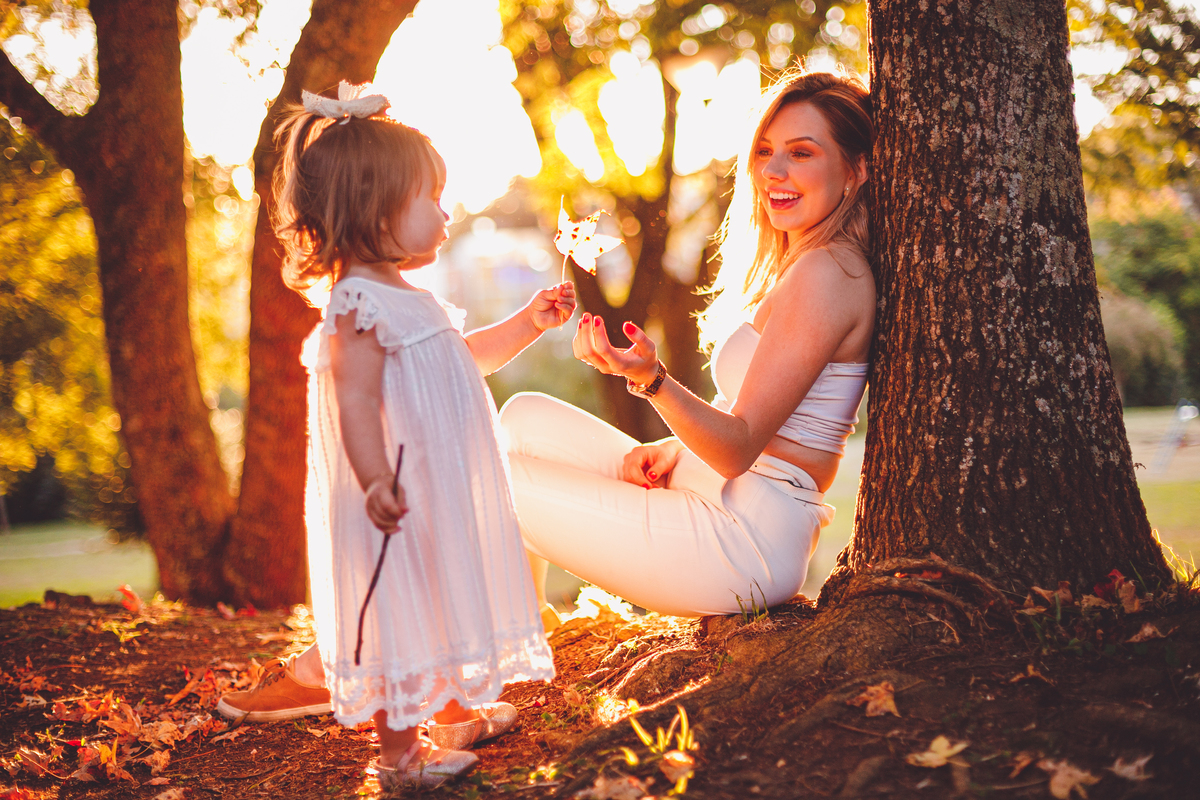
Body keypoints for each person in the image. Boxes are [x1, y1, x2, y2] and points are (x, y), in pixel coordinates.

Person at [216, 82, 569, 788]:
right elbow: (353, 398)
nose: (446, 212)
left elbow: (464, 358)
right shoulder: (356, 303)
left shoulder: (416, 299)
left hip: (431, 493)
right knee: (395, 614)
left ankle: (449, 713)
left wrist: (529, 322)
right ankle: (398, 758)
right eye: (430, 200)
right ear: (375, 210)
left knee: (436, 598)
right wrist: (375, 478)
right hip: (392, 494)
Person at [501, 68, 874, 619]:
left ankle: (440, 648)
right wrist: (674, 449)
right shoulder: (805, 265)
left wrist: (651, 381)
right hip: (711, 492)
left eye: (801, 153)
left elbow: (740, 446)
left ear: (855, 169)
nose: (773, 171)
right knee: (522, 418)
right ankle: (521, 627)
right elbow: (763, 415)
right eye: (766, 151)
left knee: (487, 480)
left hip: (740, 542)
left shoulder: (829, 272)